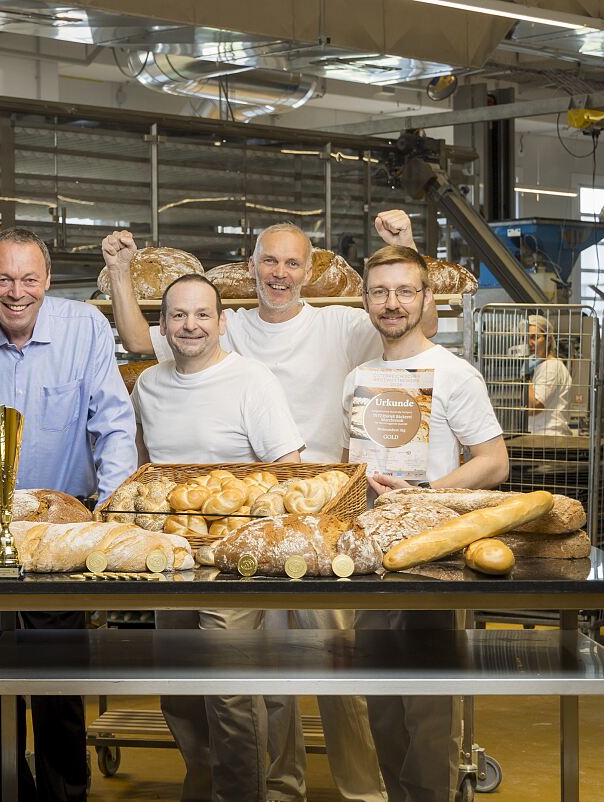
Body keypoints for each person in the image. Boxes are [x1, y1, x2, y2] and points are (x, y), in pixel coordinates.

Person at [95, 213, 440, 802]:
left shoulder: (339, 324)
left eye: (291, 263)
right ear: (250, 270)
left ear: (310, 270)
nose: (279, 273)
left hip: (324, 513)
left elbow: (412, 326)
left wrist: (403, 254)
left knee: (336, 663)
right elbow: (138, 341)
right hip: (246, 524)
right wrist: (120, 272)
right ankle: (279, 787)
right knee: (269, 677)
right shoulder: (226, 329)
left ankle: (363, 790)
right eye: (268, 262)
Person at [0, 226, 137, 802]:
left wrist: (107, 515)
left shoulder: (84, 327)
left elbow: (112, 423)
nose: (17, 293)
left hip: (63, 532)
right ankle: (0, 785)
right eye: (4, 280)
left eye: (29, 280)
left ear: (48, 281)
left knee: (58, 675)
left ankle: (68, 787)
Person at [345, 245, 508, 802]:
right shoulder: (358, 378)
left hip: (435, 558)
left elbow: (494, 461)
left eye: (405, 291)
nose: (393, 304)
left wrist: (424, 496)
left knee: (431, 708)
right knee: (383, 704)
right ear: (366, 299)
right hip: (373, 558)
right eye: (381, 292)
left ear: (426, 298)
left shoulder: (454, 373)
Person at [133, 273, 303, 802]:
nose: (191, 325)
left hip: (233, 562)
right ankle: (202, 786)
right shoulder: (149, 385)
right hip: (172, 558)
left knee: (231, 693)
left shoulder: (252, 380)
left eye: (203, 314)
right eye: (179, 315)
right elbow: (145, 470)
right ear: (162, 325)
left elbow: (289, 468)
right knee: (179, 691)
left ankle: (241, 795)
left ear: (222, 322)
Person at [524, 314, 573, 436]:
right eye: (525, 338)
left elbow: (533, 407)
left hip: (549, 436)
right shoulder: (539, 366)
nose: (529, 343)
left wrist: (526, 376)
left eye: (535, 337)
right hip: (538, 434)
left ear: (549, 340)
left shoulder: (552, 367)